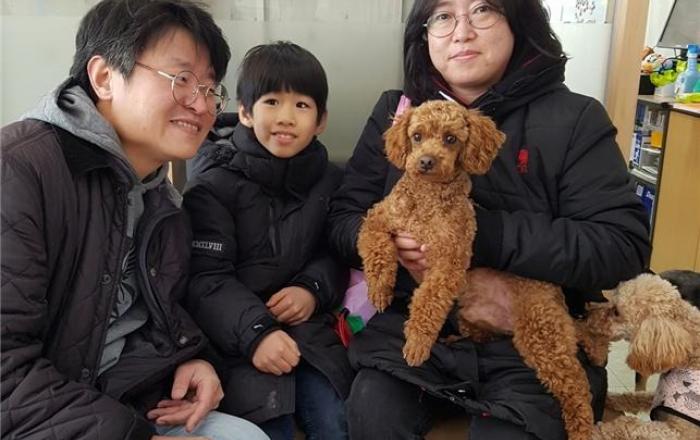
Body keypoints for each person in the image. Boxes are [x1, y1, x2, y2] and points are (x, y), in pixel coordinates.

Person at [326, 0, 652, 439]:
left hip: (526, 340)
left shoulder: (576, 118)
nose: (461, 31)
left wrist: (483, 239)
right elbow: (342, 219)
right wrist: (393, 247)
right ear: (424, 34)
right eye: (443, 16)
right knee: (372, 411)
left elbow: (622, 247)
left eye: (482, 10)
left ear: (519, 20)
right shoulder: (398, 110)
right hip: (416, 332)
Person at [0, 1, 268, 439]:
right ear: (104, 77)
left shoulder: (162, 200)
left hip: (122, 405)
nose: (202, 105)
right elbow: (6, 376)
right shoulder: (18, 170)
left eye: (210, 88)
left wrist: (194, 361)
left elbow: (157, 313)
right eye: (182, 79)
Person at [182, 41, 353, 440]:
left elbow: (336, 252)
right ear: (245, 112)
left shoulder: (331, 181)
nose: (286, 118)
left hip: (310, 339)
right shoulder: (213, 185)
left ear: (321, 120)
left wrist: (311, 289)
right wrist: (257, 332)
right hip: (236, 347)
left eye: (302, 105)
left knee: (337, 424)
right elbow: (205, 279)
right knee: (268, 427)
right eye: (272, 102)